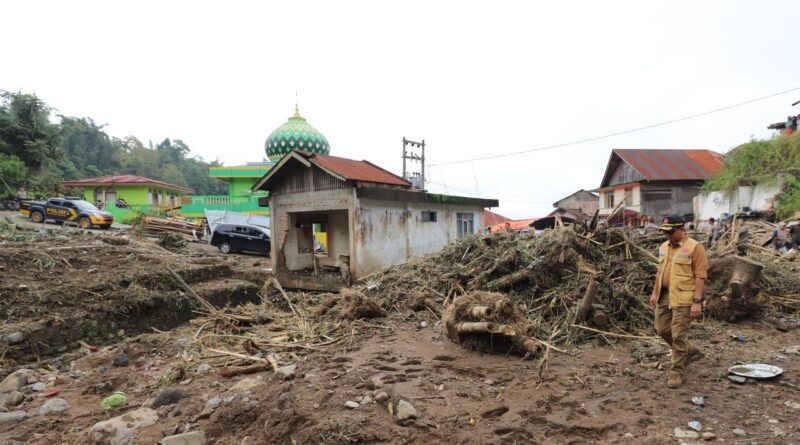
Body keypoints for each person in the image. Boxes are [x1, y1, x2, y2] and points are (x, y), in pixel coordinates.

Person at [649, 215, 708, 389]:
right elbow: (660, 272)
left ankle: (677, 371)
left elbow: (700, 276)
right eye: (665, 232)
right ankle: (690, 351)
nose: (668, 236)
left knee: (678, 335)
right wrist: (654, 293)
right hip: (664, 295)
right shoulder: (663, 247)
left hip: (684, 297)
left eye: (671, 232)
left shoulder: (695, 248)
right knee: (662, 329)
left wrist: (697, 302)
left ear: (682, 229)